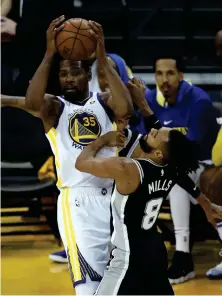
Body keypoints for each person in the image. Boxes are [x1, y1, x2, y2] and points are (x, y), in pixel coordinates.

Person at [2, 17, 133, 295]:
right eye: (63, 75)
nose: (68, 78)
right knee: (89, 287)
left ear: (87, 74)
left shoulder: (104, 101)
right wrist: (50, 53)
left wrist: (101, 55)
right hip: (78, 202)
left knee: (119, 283)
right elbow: (32, 102)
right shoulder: (55, 108)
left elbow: (126, 109)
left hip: (115, 198)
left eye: (74, 72)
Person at [75, 123, 221, 295]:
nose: (153, 130)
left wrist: (102, 140)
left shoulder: (126, 168)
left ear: (159, 153)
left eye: (157, 134)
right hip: (155, 251)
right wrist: (205, 204)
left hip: (128, 257)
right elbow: (185, 180)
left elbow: (81, 163)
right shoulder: (171, 169)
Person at [143, 56, 220, 284]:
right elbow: (141, 141)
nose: (164, 80)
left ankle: (183, 255)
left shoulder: (199, 101)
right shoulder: (151, 101)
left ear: (181, 75)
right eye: (159, 74)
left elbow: (191, 151)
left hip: (203, 165)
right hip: (164, 167)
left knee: (177, 180)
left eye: (170, 73)